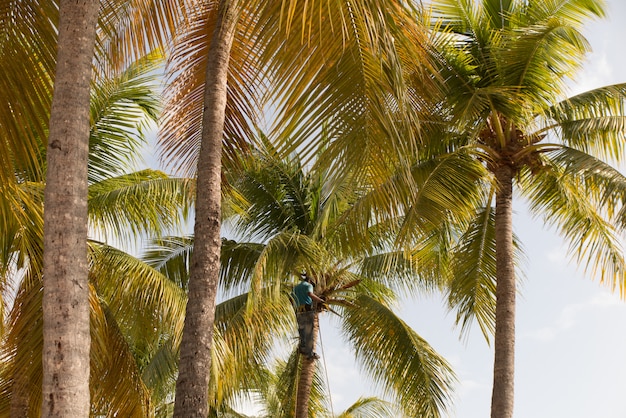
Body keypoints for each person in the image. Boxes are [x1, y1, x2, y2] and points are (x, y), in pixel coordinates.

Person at [292, 272, 324, 360]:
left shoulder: (295, 288)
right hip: (307, 311)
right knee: (309, 334)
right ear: (309, 280)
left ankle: (302, 348)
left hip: (298, 312)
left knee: (302, 331)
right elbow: (310, 294)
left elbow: (291, 299)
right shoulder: (308, 285)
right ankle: (310, 355)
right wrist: (320, 300)